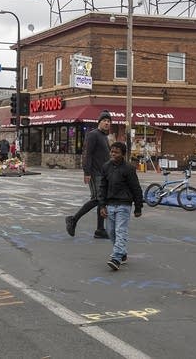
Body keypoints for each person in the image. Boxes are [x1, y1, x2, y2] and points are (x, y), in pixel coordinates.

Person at [65, 110, 112, 239]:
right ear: (99, 122)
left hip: (103, 174)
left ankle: (100, 229)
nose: (107, 123)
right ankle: (73, 220)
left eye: (109, 121)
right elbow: (87, 153)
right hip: (95, 173)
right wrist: (87, 172)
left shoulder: (104, 136)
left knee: (101, 200)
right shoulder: (93, 135)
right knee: (97, 198)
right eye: (105, 121)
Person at [98, 141, 143, 271]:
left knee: (120, 230)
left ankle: (116, 258)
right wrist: (102, 205)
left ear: (123, 154)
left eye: (116, 152)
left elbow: (136, 188)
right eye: (112, 151)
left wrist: (138, 207)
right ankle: (122, 253)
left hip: (124, 204)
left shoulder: (128, 169)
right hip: (110, 204)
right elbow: (102, 187)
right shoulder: (106, 167)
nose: (113, 154)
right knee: (110, 232)